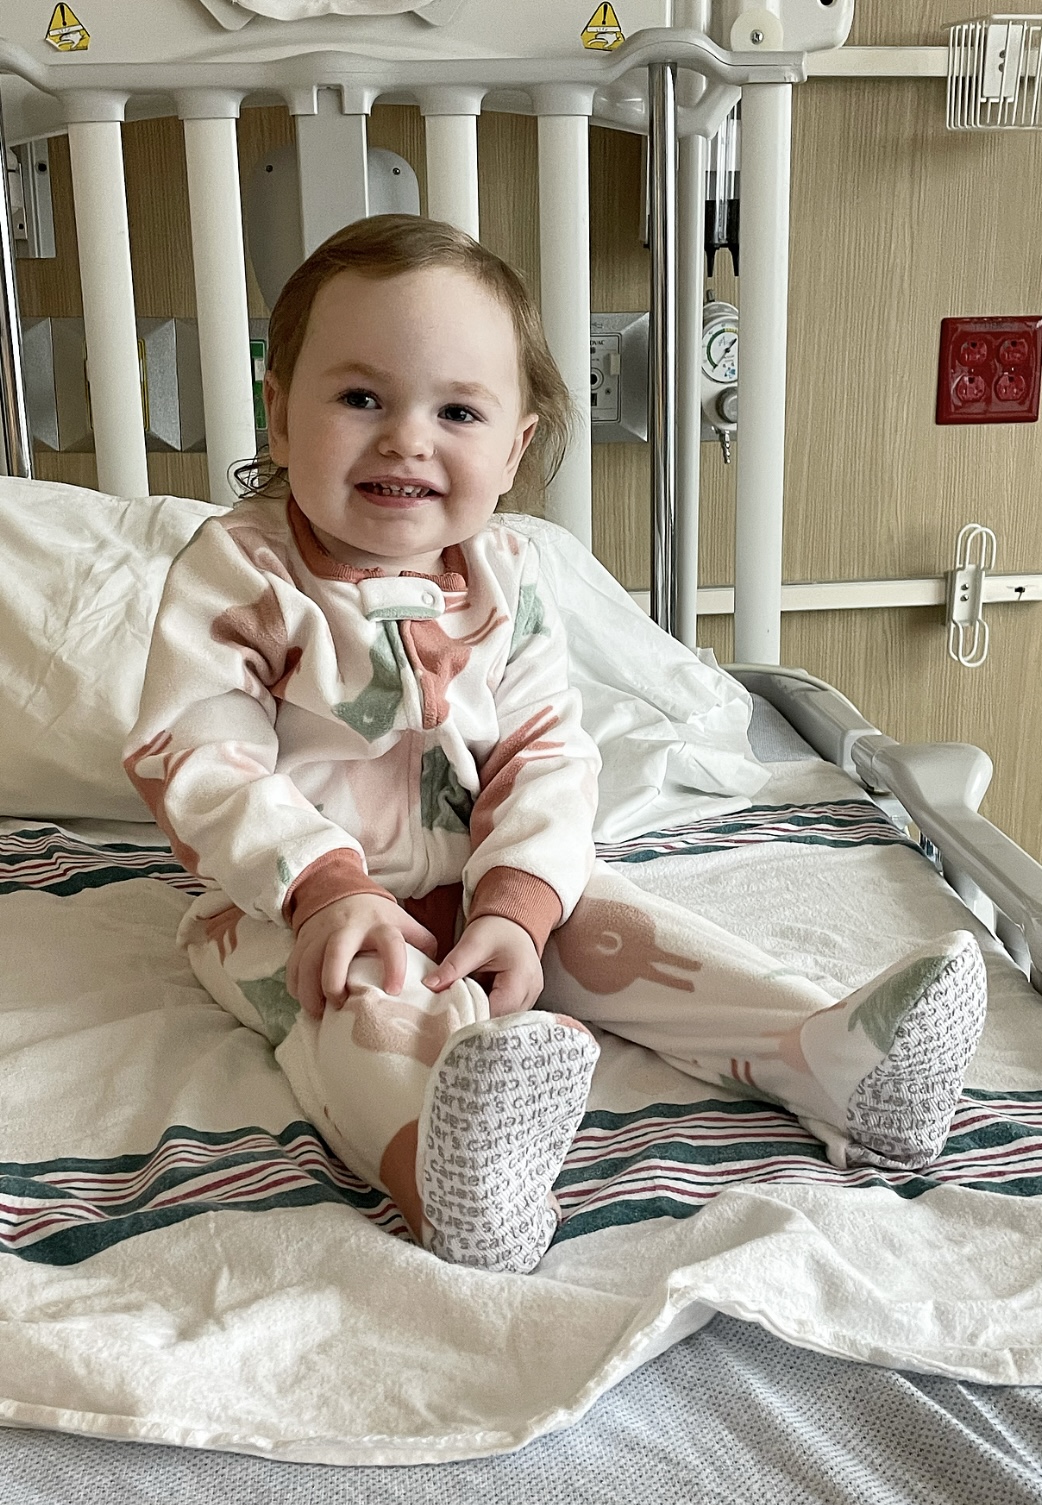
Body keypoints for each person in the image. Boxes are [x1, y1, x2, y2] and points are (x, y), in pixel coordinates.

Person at [126, 214, 988, 1276]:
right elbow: (199, 753)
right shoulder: (239, 572)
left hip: (484, 881)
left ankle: (826, 1050)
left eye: (456, 410)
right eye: (360, 398)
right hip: (282, 904)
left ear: (514, 445)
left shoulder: (511, 579)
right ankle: (446, 1154)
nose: (406, 437)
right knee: (351, 1013)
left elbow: (543, 751)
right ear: (281, 409)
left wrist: (520, 910)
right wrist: (324, 888)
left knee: (620, 923)